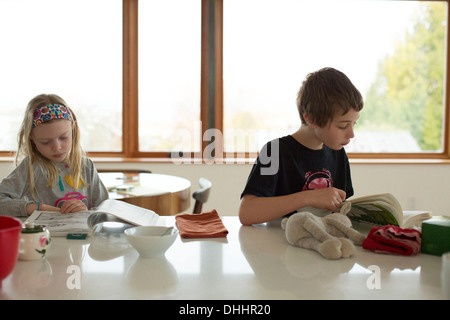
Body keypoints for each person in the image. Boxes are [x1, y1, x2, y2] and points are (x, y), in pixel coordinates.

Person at [239, 67, 363, 225]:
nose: (351, 134)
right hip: (278, 246)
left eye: (354, 123)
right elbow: (247, 213)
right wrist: (309, 197)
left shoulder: (337, 153)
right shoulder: (275, 152)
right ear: (311, 120)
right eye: (343, 126)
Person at [0, 94, 109, 217]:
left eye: (63, 137)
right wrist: (38, 208)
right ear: (32, 139)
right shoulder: (30, 167)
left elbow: (106, 209)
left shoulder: (86, 166)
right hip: (43, 236)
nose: (56, 147)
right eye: (45, 142)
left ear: (73, 130)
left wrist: (87, 213)